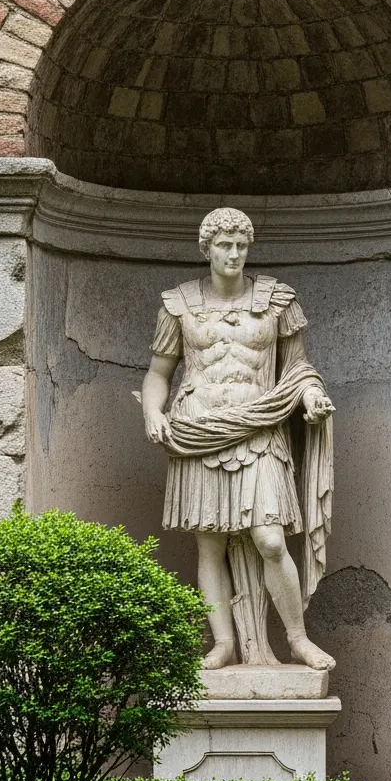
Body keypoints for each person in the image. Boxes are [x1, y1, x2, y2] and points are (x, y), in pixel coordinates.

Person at [140, 205, 335, 671]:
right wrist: (152, 411)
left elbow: (298, 368)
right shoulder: (179, 304)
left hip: (260, 429)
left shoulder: (277, 301)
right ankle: (223, 641)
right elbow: (157, 372)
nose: (234, 254)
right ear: (207, 249)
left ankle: (297, 638)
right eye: (225, 245)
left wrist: (309, 396)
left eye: (241, 246)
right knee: (209, 543)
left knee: (270, 540)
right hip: (198, 430)